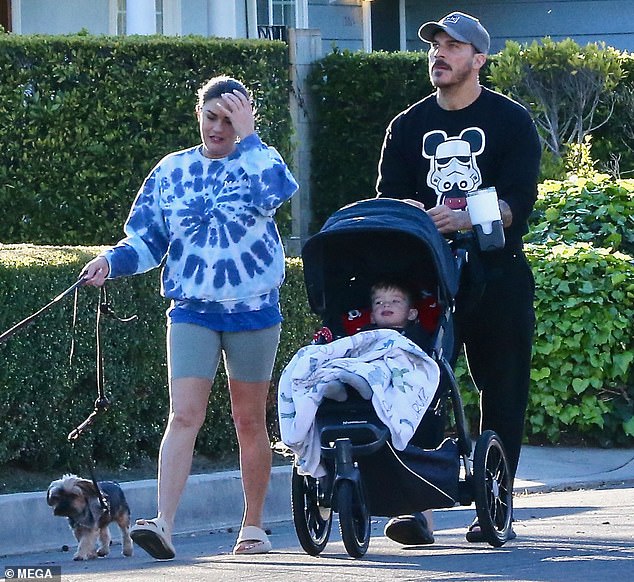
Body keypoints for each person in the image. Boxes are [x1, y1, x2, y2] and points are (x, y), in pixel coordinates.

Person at [81, 75, 299, 558]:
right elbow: (147, 239)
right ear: (197, 114)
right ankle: (163, 524)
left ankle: (254, 525)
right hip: (191, 310)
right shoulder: (171, 171)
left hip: (253, 311)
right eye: (211, 116)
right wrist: (109, 262)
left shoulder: (258, 159)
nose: (218, 128)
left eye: (229, 119)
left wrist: (251, 137)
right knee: (183, 414)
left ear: (245, 120)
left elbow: (276, 193)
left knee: (247, 421)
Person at [376, 11, 541, 545]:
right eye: (434, 46)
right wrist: (417, 216)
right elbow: (389, 199)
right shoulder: (406, 126)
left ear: (479, 59)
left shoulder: (511, 122)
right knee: (417, 383)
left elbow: (522, 202)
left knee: (503, 389)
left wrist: (469, 216)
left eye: (453, 46)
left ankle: (496, 503)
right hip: (425, 277)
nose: (439, 55)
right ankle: (415, 508)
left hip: (497, 274)